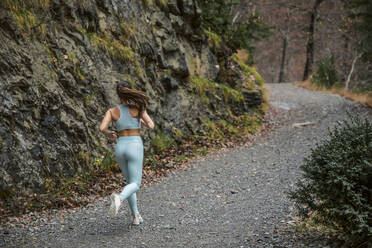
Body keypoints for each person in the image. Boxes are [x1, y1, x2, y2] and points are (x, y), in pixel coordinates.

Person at [99, 81, 154, 225]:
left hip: (120, 147)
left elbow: (102, 128)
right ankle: (120, 198)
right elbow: (151, 125)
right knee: (135, 184)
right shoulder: (138, 108)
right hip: (134, 145)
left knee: (129, 182)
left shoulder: (112, 111)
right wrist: (141, 121)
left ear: (118, 94)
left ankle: (136, 216)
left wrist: (110, 133)